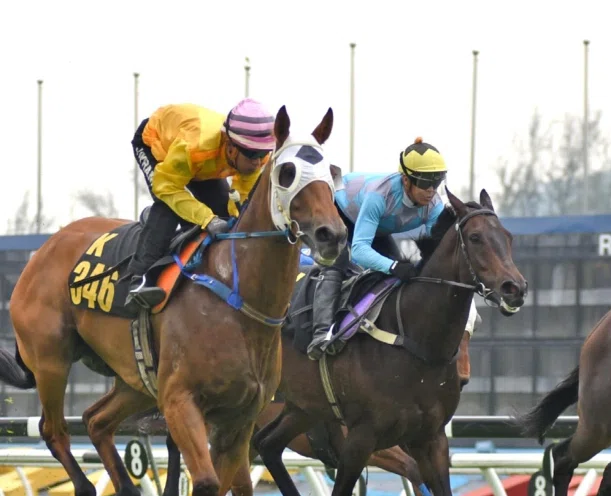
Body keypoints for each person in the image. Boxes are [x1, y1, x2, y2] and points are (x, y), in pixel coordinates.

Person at [124, 99, 276, 310]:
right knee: (168, 207)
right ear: (231, 147)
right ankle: (138, 279)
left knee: (224, 216)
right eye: (252, 154)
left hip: (203, 161)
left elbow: (240, 200)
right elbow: (166, 188)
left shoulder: (251, 156)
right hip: (158, 144)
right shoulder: (196, 146)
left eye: (263, 153)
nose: (258, 162)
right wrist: (207, 219)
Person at [306, 137, 447, 359]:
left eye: (437, 182)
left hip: (378, 228)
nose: (431, 190)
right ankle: (321, 334)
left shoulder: (435, 206)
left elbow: (433, 254)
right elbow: (361, 250)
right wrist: (393, 266)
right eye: (425, 182)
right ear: (406, 180)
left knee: (400, 274)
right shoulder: (380, 196)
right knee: (338, 264)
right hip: (341, 211)